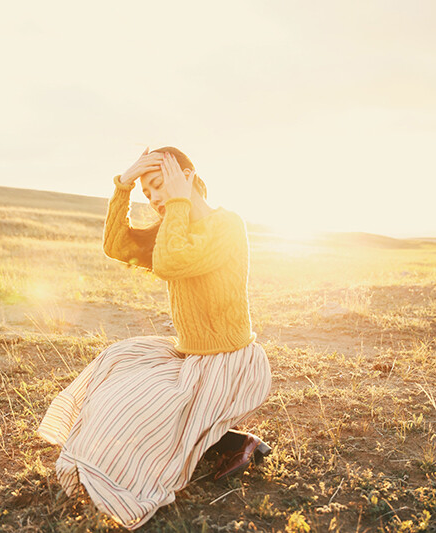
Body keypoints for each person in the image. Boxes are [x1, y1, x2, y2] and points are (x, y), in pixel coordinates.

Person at [37, 146, 272, 530]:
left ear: (189, 175)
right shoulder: (172, 228)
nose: (155, 198)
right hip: (188, 356)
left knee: (145, 417)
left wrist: (177, 203)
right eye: (148, 193)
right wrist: (123, 185)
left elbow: (171, 261)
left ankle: (229, 441)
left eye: (159, 185)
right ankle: (236, 442)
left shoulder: (226, 225)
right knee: (116, 374)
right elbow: (116, 246)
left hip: (227, 361)